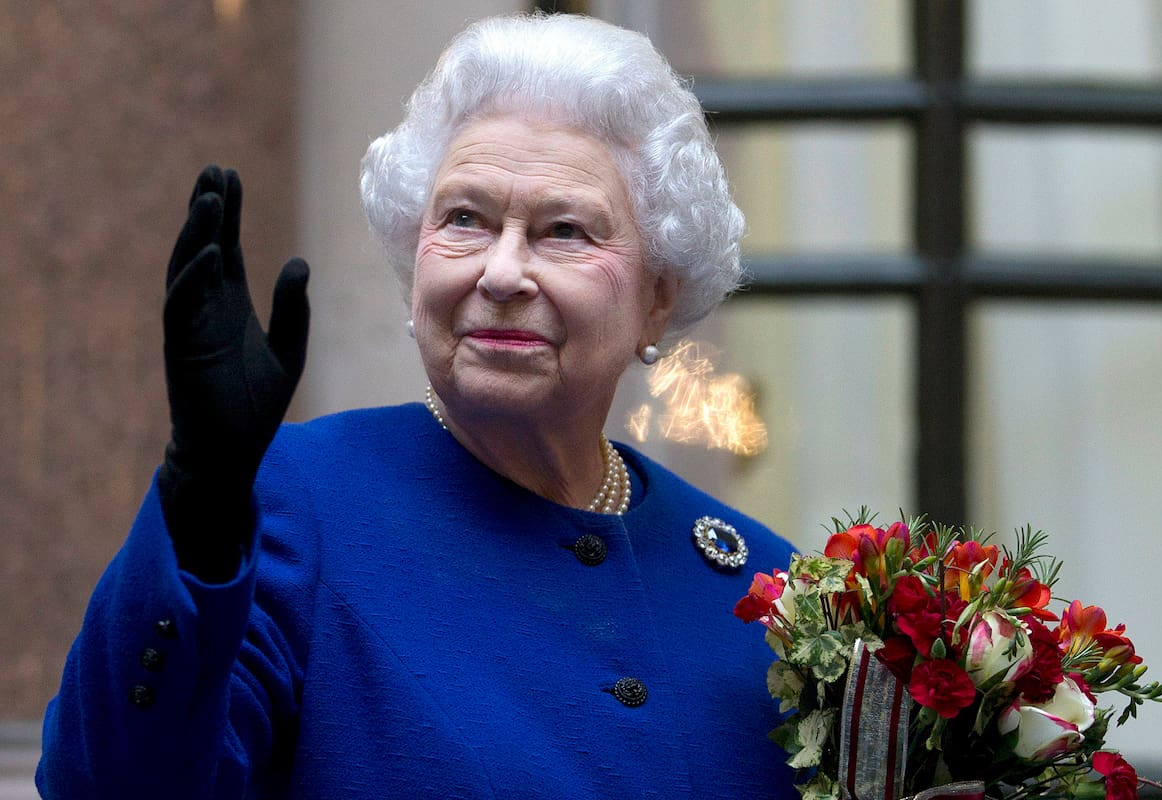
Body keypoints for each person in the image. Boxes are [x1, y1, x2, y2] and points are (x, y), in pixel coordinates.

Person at [37, 13, 797, 798]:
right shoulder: (291, 506)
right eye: (465, 220)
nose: (501, 273)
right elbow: (110, 785)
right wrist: (198, 495)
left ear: (657, 297)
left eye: (563, 231)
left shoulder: (764, 587)